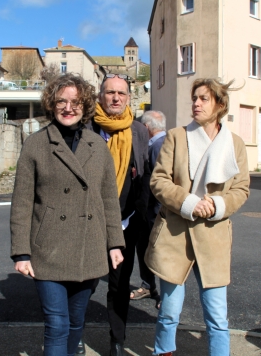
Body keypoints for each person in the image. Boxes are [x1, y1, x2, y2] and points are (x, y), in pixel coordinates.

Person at [10, 73, 125, 356]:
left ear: (85, 105)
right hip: (47, 249)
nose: (68, 107)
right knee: (57, 324)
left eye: (75, 102)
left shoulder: (97, 145)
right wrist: (21, 252)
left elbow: (108, 198)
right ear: (52, 104)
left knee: (76, 323)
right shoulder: (36, 144)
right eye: (61, 101)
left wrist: (115, 242)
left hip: (89, 245)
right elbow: (22, 202)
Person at [145, 78, 250, 356]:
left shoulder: (235, 143)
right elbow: (159, 181)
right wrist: (190, 202)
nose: (196, 103)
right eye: (195, 98)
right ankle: (162, 353)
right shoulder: (176, 136)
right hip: (175, 234)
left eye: (204, 98)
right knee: (169, 312)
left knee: (217, 316)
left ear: (220, 104)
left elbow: (241, 189)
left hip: (214, 236)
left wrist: (216, 205)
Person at [86, 73, 150, 356]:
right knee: (82, 283)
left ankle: (117, 341)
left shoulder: (139, 130)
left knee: (119, 286)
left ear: (128, 98)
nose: (115, 98)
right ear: (101, 95)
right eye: (110, 93)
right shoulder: (85, 127)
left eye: (121, 94)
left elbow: (145, 175)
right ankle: (75, 334)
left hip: (125, 222)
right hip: (89, 220)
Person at [131, 110, 166, 306]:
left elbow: (161, 183)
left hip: (154, 212)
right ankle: (148, 286)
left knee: (157, 251)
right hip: (148, 211)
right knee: (144, 247)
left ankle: (162, 293)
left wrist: (156, 214)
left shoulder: (158, 146)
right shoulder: (162, 143)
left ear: (146, 128)